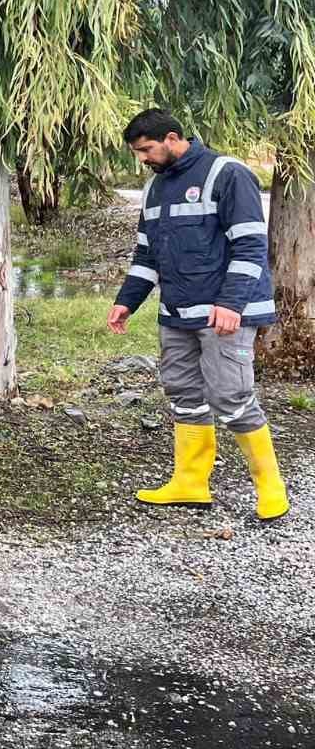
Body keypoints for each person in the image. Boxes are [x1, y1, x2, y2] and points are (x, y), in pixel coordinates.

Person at [108, 108, 287, 520]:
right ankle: (190, 483)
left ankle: (270, 486)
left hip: (226, 312)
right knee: (183, 394)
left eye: (147, 150)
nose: (143, 159)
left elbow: (250, 247)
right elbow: (147, 254)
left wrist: (231, 304)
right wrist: (126, 300)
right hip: (177, 312)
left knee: (231, 396)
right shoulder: (155, 190)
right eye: (138, 153)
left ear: (172, 138)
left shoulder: (227, 174)